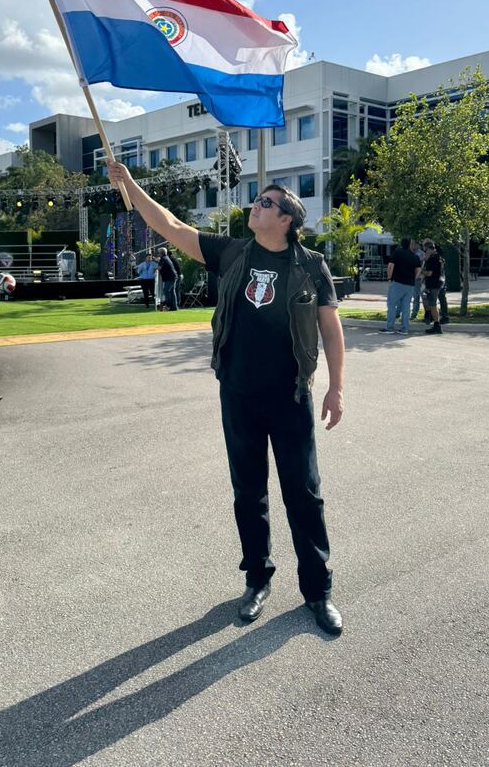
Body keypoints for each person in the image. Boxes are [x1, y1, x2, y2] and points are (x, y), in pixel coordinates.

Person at [106, 160, 345, 636]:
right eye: (260, 199)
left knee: (305, 493)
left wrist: (336, 387)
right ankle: (257, 578)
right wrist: (129, 184)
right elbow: (171, 226)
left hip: (290, 394)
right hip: (237, 392)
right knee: (248, 492)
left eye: (267, 202)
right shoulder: (234, 252)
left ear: (286, 221)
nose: (257, 205)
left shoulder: (310, 265)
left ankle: (317, 592)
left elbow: (330, 328)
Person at [381, 237, 421, 335]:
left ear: (401, 244)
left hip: (397, 282)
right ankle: (404, 329)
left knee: (391, 305)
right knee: (406, 307)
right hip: (410, 284)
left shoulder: (397, 252)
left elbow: (390, 266)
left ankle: (390, 327)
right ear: (409, 244)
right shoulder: (415, 256)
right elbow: (419, 270)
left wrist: (389, 278)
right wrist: (414, 278)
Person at [421, 239, 444, 335]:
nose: (424, 252)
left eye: (425, 250)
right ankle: (434, 321)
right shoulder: (439, 257)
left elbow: (429, 273)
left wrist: (421, 271)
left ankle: (437, 325)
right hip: (438, 283)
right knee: (432, 304)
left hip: (432, 284)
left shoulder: (432, 259)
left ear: (428, 248)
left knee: (433, 305)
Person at [409, 238, 425, 321]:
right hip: (407, 278)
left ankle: (414, 314)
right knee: (406, 297)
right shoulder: (407, 252)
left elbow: (422, 266)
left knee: (416, 296)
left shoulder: (421, 254)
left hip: (416, 278)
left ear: (417, 245)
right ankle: (405, 313)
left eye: (414, 243)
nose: (412, 245)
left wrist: (421, 276)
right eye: (411, 243)